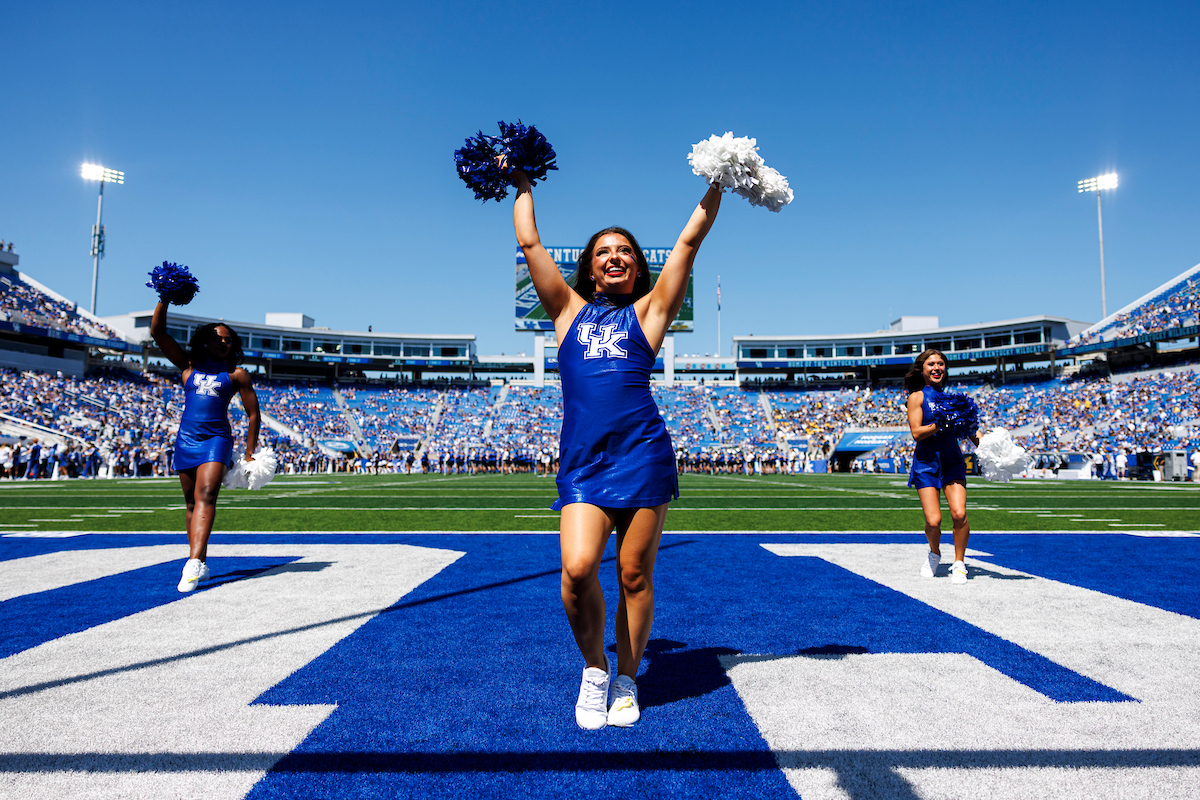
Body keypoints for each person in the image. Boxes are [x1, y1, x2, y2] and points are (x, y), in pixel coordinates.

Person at [509, 158, 721, 729]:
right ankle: (594, 668)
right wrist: (523, 183)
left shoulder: (650, 313)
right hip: (584, 463)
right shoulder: (566, 310)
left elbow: (687, 243)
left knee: (633, 575)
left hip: (643, 456)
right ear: (590, 267)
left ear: (637, 267)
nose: (615, 257)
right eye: (604, 252)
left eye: (625, 251)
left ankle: (627, 679)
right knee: (578, 570)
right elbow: (529, 242)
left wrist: (719, 181)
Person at [151, 301, 260, 593]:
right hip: (186, 439)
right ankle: (201, 560)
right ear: (204, 341)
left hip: (216, 439)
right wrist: (164, 298)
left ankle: (192, 563)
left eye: (229, 340)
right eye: (218, 338)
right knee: (191, 502)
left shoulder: (237, 374)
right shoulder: (189, 367)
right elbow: (158, 333)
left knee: (207, 495)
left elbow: (253, 414)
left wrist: (249, 453)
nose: (224, 343)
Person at [905, 349, 980, 585]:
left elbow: (972, 432)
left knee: (959, 514)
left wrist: (994, 447)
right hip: (926, 464)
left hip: (952, 461)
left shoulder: (954, 400)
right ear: (922, 369)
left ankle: (959, 563)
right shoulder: (916, 397)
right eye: (931, 364)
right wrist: (942, 422)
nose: (936, 368)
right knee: (933, 521)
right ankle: (934, 553)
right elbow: (917, 433)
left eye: (940, 364)